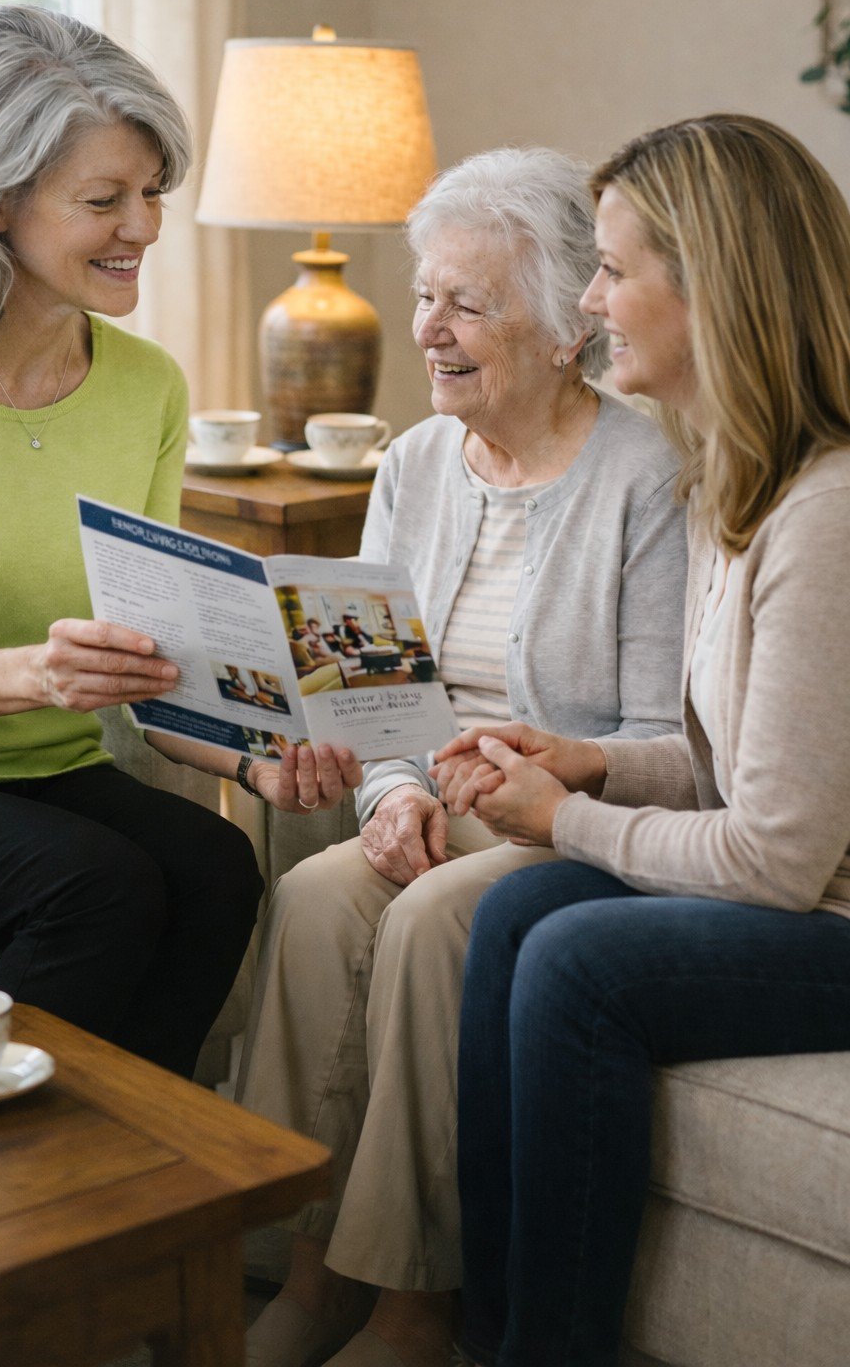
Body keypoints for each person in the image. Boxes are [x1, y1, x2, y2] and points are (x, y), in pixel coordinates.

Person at [0, 4, 359, 1081]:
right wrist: (44, 670)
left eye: (153, 192)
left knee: (214, 866)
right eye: (104, 200)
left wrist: (259, 758)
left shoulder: (144, 387)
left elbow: (151, 666)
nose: (146, 228)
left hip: (38, 769)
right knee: (96, 886)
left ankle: (112, 1172)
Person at [237, 145, 688, 1367]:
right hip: (429, 794)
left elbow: (672, 742)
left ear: (560, 330)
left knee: (439, 922)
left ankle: (412, 1307)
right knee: (319, 893)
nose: (426, 329)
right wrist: (386, 793)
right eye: (424, 293)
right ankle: (301, 1267)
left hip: (557, 815)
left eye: (466, 304)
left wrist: (551, 776)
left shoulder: (649, 477)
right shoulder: (416, 461)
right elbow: (367, 690)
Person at [439, 113, 850, 1367]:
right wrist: (593, 763)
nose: (592, 299)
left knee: (577, 964)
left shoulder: (826, 514)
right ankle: (492, 1336)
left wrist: (566, 821)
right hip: (811, 891)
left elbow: (778, 856)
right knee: (514, 918)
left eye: (614, 271)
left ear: (710, 286)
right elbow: (740, 774)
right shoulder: (741, 481)